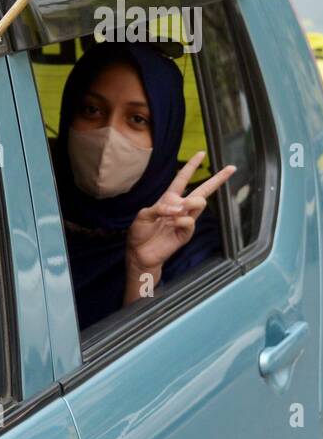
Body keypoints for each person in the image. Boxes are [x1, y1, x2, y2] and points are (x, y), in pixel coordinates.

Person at [49, 41, 236, 330]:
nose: (109, 135)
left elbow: (163, 361)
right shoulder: (22, 198)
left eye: (137, 119)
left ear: (165, 134)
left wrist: (143, 270)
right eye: (91, 110)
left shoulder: (183, 238)